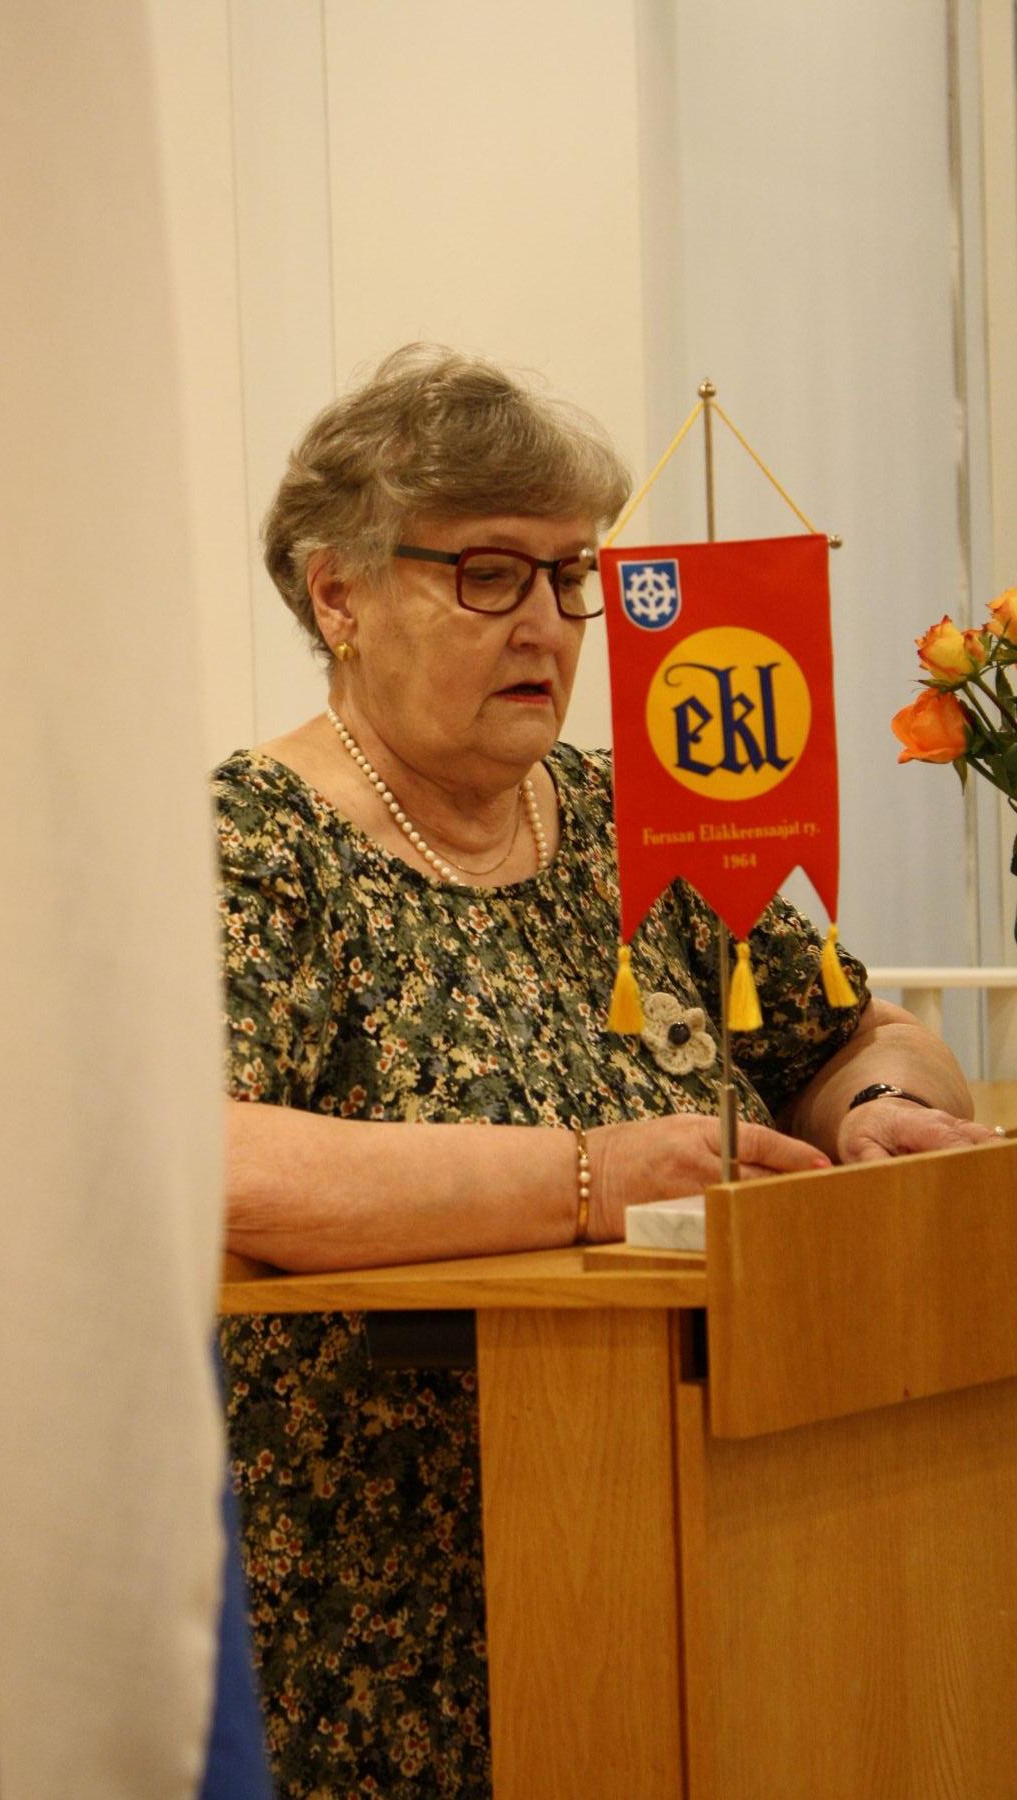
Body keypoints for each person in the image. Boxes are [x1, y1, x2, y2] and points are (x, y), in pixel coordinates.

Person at [214, 344, 995, 1798]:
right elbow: (213, 1164)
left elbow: (858, 1033)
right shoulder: (255, 845)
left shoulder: (638, 813)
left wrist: (884, 1109)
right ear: (338, 596)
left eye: (572, 574)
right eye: (488, 574)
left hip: (730, 1553)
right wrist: (591, 1179)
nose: (550, 625)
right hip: (399, 1608)